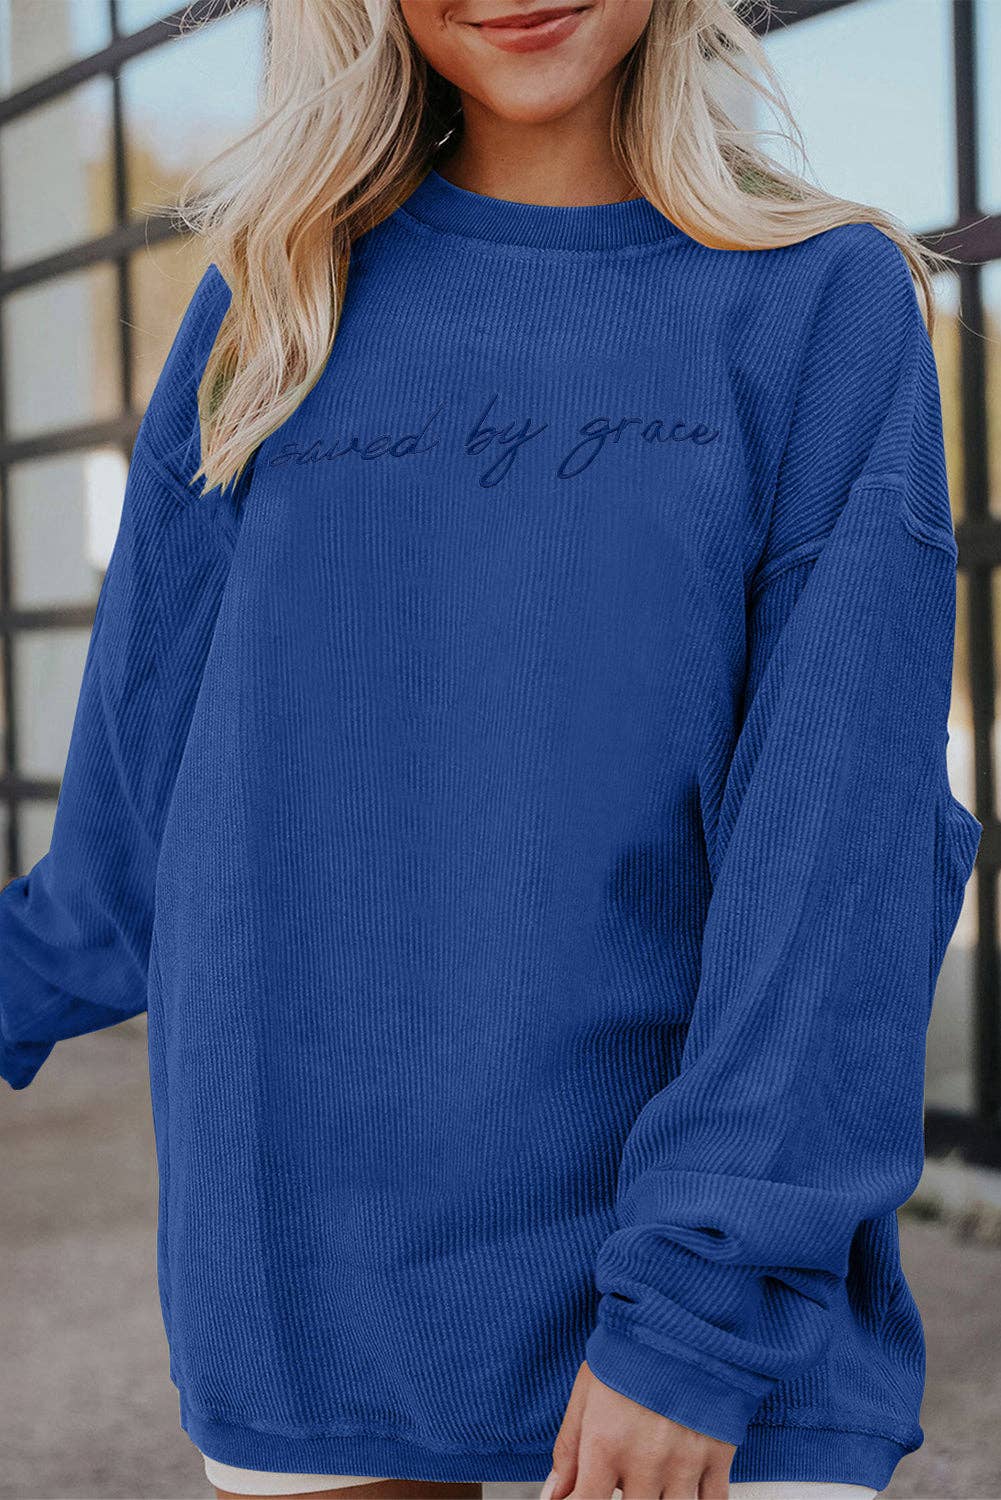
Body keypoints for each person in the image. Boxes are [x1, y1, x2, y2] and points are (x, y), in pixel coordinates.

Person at [0, 2, 981, 1498]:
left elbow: (838, 860)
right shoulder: (272, 301)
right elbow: (127, 845)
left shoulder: (818, 305)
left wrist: (698, 1315)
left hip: (694, 1300)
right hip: (307, 1268)